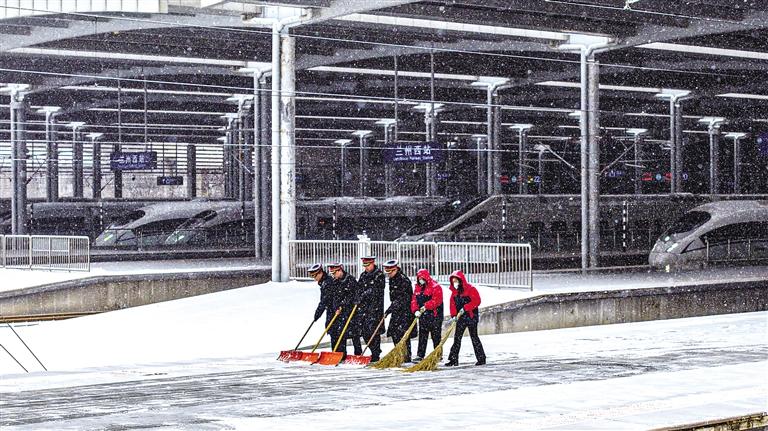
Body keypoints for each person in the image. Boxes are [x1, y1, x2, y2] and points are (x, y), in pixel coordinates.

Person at [446, 270, 486, 366]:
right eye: (453, 281)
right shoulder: (454, 293)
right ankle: (453, 359)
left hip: (471, 317)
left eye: (456, 280)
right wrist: (454, 316)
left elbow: (477, 301)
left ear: (460, 280)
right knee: (457, 338)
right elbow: (452, 305)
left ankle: (481, 359)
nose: (454, 283)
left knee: (474, 337)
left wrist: (465, 308)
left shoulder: (470, 289)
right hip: (461, 319)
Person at [383, 259, 415, 363]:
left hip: (405, 312)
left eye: (390, 272)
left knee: (404, 335)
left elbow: (404, 298)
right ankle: (399, 353)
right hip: (397, 311)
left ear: (395, 269)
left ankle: (406, 357)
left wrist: (390, 309)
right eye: (387, 272)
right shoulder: (393, 279)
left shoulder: (403, 280)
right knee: (394, 333)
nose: (389, 274)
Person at [328, 263, 361, 356]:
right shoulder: (335, 282)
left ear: (340, 271)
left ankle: (358, 354)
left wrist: (343, 304)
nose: (333, 276)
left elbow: (352, 295)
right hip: (340, 313)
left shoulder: (350, 280)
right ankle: (342, 354)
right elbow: (335, 297)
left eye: (334, 273)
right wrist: (336, 307)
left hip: (351, 312)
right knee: (341, 333)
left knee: (355, 334)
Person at [356, 256, 385, 362]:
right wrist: (358, 298)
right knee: (364, 332)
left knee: (374, 331)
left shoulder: (379, 275)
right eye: (365, 266)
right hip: (364, 309)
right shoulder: (363, 275)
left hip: (375, 308)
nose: (366, 268)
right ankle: (374, 350)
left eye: (368, 265)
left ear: (373, 263)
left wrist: (364, 295)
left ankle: (376, 353)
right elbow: (359, 288)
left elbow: (375, 290)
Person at [410, 268, 443, 361]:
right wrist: (415, 310)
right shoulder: (418, 287)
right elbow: (414, 300)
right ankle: (420, 355)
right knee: (422, 336)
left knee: (436, 336)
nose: (421, 280)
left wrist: (426, 306)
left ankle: (438, 354)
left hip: (435, 315)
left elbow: (437, 300)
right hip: (423, 316)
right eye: (419, 278)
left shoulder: (435, 287)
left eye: (422, 278)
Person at [309, 263, 343, 352]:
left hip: (336, 311)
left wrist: (317, 314)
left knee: (335, 333)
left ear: (320, 273)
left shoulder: (327, 283)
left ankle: (338, 354)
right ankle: (337, 353)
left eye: (315, 275)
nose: (314, 278)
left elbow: (324, 301)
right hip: (332, 310)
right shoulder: (325, 282)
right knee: (333, 332)